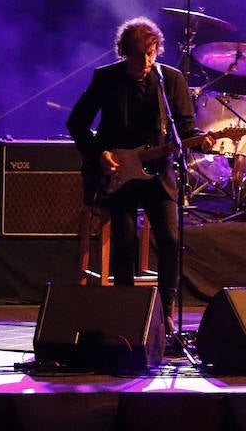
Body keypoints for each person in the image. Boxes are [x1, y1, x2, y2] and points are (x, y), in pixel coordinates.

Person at [67, 17, 208, 326]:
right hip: (118, 175)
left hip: (157, 174)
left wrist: (203, 142)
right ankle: (125, 310)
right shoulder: (106, 79)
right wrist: (99, 153)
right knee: (125, 239)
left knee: (171, 239)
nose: (145, 61)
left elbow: (184, 129)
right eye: (138, 54)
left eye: (151, 52)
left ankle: (167, 310)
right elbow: (76, 122)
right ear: (124, 53)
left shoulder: (170, 80)